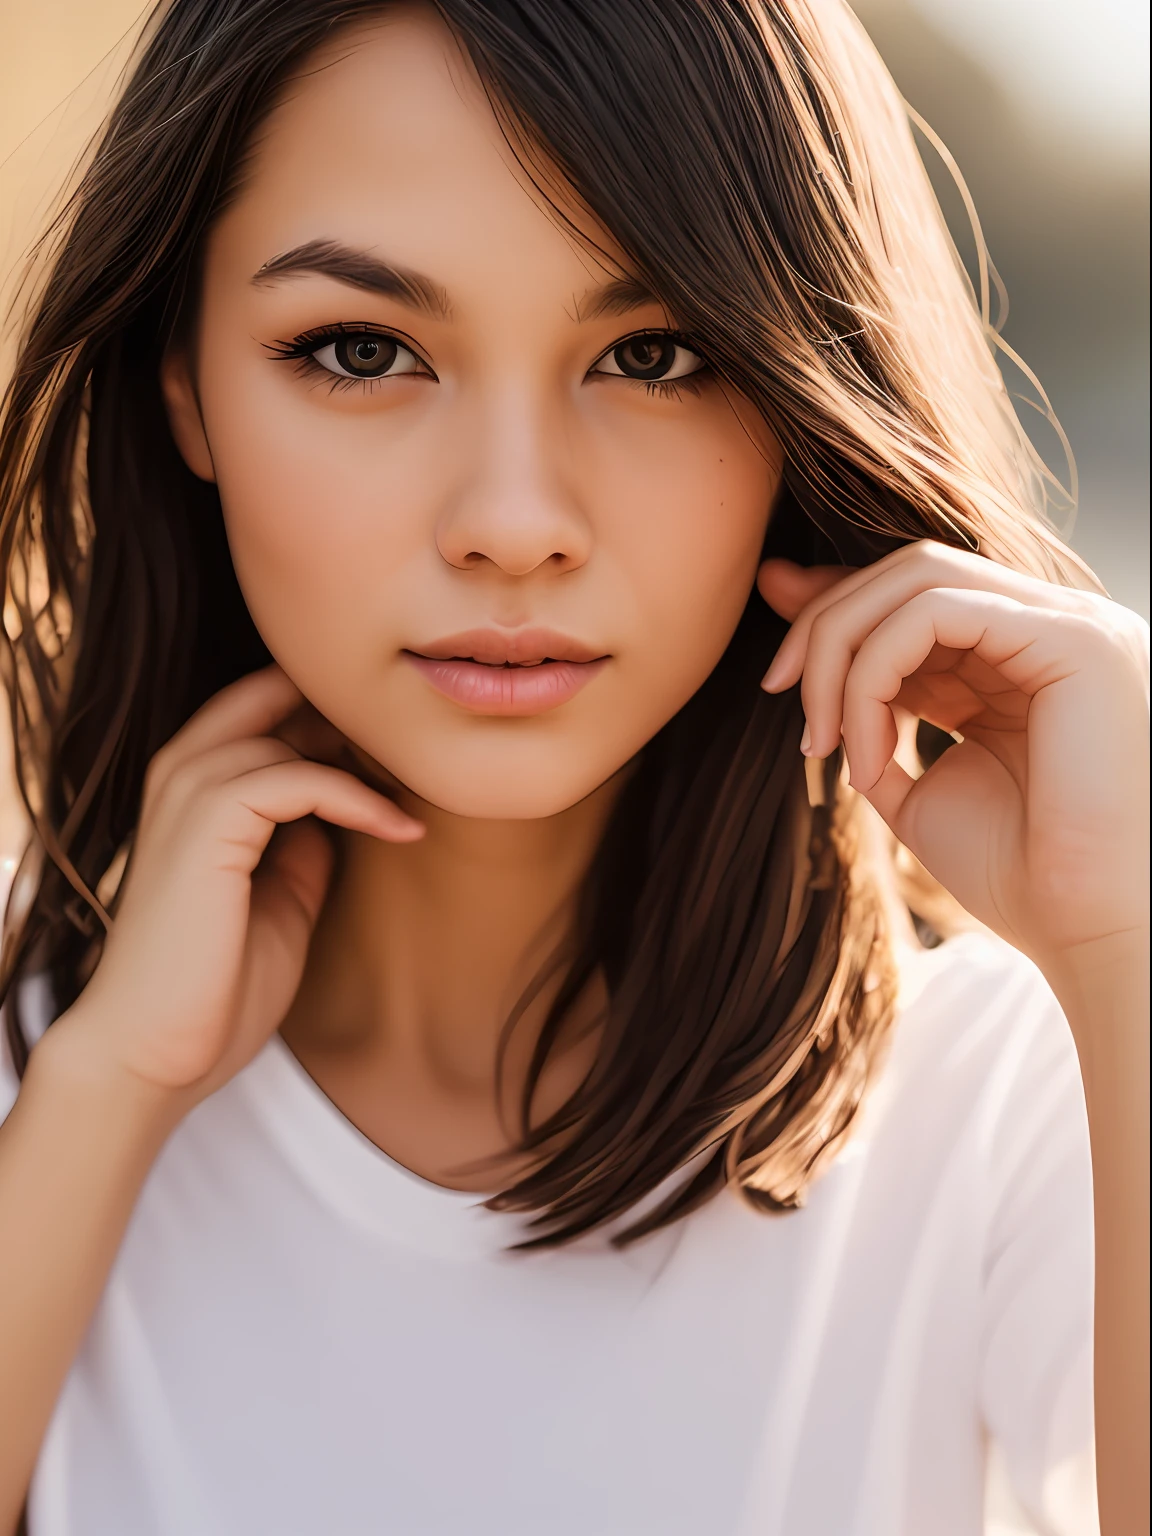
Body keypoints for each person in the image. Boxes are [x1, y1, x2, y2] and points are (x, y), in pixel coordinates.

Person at [0, 1, 1147, 1532]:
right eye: (363, 350)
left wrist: (1128, 941)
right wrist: (97, 1096)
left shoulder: (1022, 1091)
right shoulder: (52, 1070)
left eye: (655, 353)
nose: (516, 517)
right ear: (186, 388)